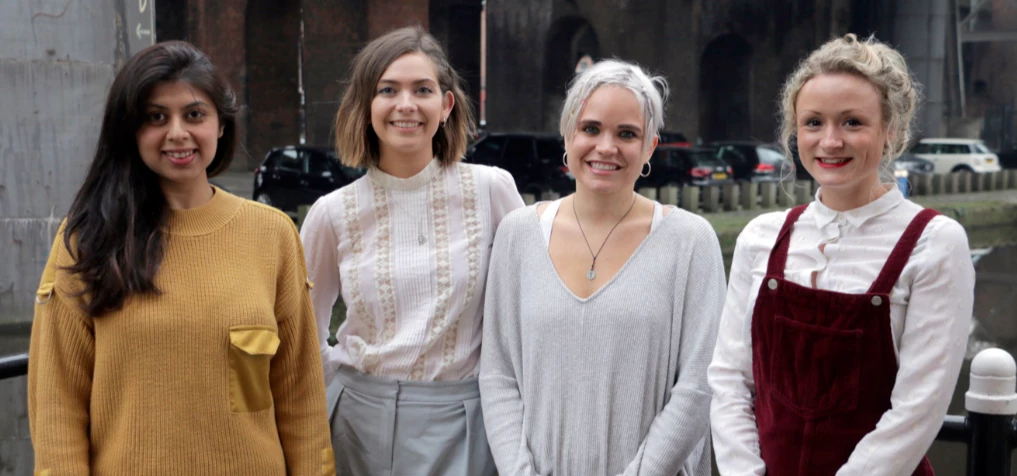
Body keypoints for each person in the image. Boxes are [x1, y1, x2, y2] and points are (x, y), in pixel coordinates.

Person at [27, 41, 334, 474]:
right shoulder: (89, 239)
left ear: (220, 126)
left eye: (194, 115)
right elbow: (58, 405)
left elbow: (299, 395)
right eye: (156, 117)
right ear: (131, 131)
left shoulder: (273, 234)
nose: (177, 133)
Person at [708, 34, 974, 476]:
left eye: (852, 122)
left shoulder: (934, 243)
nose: (830, 141)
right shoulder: (761, 238)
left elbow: (917, 410)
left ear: (891, 130)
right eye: (813, 123)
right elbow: (730, 381)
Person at [479, 59, 725, 476]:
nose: (606, 147)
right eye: (591, 129)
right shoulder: (517, 234)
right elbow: (498, 375)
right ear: (568, 134)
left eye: (626, 133)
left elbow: (699, 384)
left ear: (649, 147)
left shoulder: (690, 241)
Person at [300, 26, 524, 475]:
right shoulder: (332, 213)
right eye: (388, 90)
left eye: (422, 89)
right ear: (366, 107)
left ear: (446, 106)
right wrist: (341, 391)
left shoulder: (492, 191)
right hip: (357, 422)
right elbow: (304, 328)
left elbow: (527, 310)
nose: (406, 104)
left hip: (465, 419)